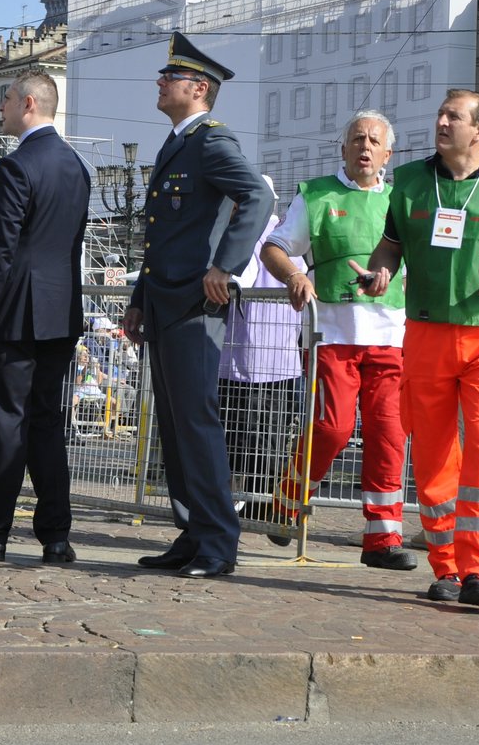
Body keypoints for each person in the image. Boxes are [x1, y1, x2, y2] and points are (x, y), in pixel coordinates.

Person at [353, 89, 479, 607]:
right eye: (440, 113)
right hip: (427, 333)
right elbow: (390, 244)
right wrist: (379, 272)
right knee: (434, 454)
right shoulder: (411, 181)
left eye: (452, 116)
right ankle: (447, 569)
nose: (440, 122)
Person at [122, 33, 271, 579]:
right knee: (175, 424)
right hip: (165, 301)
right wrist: (139, 300)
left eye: (170, 78)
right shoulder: (176, 143)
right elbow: (160, 235)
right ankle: (192, 529)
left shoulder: (210, 141)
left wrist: (225, 266)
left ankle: (217, 541)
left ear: (199, 88)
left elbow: (259, 196)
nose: (159, 84)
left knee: (197, 423)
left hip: (193, 303)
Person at [259, 110, 413, 570]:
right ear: (343, 148)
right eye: (357, 139)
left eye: (374, 141)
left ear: (388, 153)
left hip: (392, 338)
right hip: (334, 338)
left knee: (389, 434)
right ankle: (285, 501)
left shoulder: (403, 200)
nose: (365, 147)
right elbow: (275, 247)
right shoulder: (318, 195)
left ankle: (383, 539)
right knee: (333, 427)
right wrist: (294, 276)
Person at [0, 67, 90, 565]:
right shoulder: (77, 166)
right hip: (59, 313)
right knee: (46, 426)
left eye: (7, 99)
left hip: (13, 316)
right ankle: (56, 537)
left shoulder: (16, 167)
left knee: (5, 426)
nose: (1, 108)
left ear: (29, 105)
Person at [218, 176, 304, 508]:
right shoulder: (288, 234)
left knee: (244, 436)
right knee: (272, 436)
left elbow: (241, 279)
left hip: (245, 358)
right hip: (282, 357)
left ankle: (256, 503)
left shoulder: (246, 234)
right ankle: (268, 501)